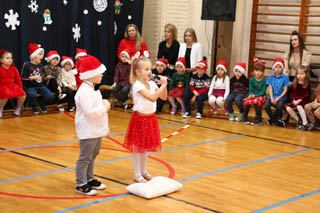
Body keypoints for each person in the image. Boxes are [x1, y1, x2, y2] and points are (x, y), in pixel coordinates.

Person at [123, 56, 168, 183]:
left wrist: (164, 86)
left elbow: (164, 97)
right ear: (138, 72)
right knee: (138, 147)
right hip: (140, 119)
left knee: (145, 147)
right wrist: (162, 86)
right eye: (146, 69)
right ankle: (137, 173)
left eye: (150, 69)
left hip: (150, 119)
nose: (150, 72)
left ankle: (144, 171)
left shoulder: (152, 84)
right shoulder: (137, 85)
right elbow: (152, 98)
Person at [74, 55, 110, 196]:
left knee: (93, 155)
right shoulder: (84, 92)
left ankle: (89, 178)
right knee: (85, 158)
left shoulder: (93, 89)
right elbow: (90, 112)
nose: (101, 74)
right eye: (99, 72)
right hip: (88, 130)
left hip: (96, 130)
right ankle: (81, 184)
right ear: (90, 75)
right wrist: (105, 107)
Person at [21, 43, 54, 114]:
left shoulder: (41, 65)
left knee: (50, 96)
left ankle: (41, 103)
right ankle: (34, 107)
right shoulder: (27, 64)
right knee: (32, 95)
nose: (42, 56)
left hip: (40, 86)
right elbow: (23, 77)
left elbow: (41, 77)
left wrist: (45, 78)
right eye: (40, 54)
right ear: (34, 56)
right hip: (30, 86)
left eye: (42, 54)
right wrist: (32, 77)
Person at [0, 49, 26, 117]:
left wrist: (20, 88)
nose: (10, 60)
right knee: (5, 94)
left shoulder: (14, 68)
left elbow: (18, 80)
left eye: (11, 58)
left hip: (12, 86)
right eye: (7, 58)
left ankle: (18, 108)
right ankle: (0, 108)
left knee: (23, 94)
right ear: (1, 60)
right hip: (2, 86)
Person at [265, 58, 290, 127]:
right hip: (272, 96)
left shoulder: (285, 78)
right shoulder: (270, 77)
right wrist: (272, 98)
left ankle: (272, 120)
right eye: (276, 67)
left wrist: (278, 98)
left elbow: (285, 90)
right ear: (273, 68)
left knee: (279, 106)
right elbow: (270, 89)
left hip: (281, 97)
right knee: (266, 106)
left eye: (280, 67)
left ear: (282, 68)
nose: (278, 69)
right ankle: (276, 120)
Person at [286, 65, 311, 130]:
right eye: (298, 73)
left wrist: (299, 100)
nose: (299, 75)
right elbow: (292, 93)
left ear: (306, 74)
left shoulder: (307, 83)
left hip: (304, 100)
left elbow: (307, 95)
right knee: (288, 108)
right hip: (295, 100)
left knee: (299, 106)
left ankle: (305, 123)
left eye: (301, 73)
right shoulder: (295, 82)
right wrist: (293, 100)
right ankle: (299, 121)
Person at [243, 58, 267, 125]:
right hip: (253, 94)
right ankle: (245, 118)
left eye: (260, 71)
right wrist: (251, 94)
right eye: (256, 70)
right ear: (254, 71)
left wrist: (255, 96)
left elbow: (263, 91)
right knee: (247, 102)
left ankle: (259, 119)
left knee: (257, 102)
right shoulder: (251, 80)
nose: (258, 72)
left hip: (261, 95)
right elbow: (251, 89)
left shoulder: (264, 80)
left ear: (263, 72)